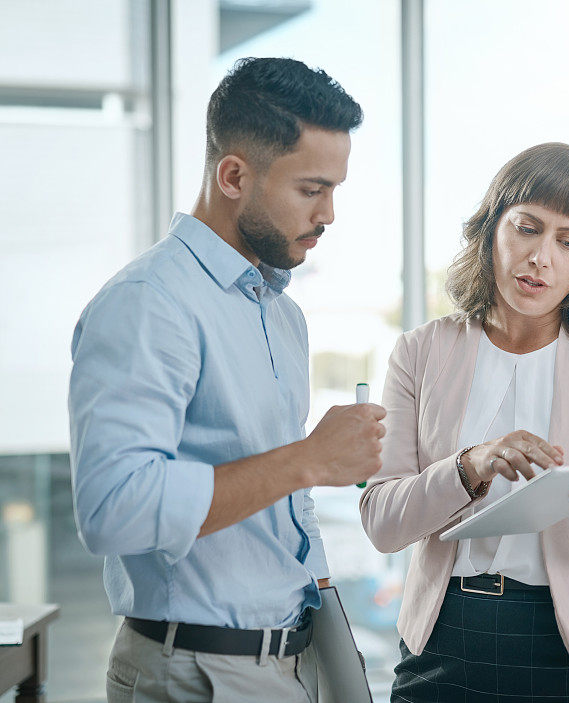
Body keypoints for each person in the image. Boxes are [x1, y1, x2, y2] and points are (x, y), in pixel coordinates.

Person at [69, 57, 385, 703]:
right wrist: (308, 460)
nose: (329, 212)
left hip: (290, 663)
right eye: (311, 188)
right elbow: (112, 508)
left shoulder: (279, 312)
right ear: (234, 175)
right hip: (195, 672)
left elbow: (282, 510)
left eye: (335, 189)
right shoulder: (148, 302)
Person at [360, 142, 569, 702]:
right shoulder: (421, 351)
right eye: (527, 228)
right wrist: (467, 467)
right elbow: (382, 524)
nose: (541, 258)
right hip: (443, 639)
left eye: (568, 241)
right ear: (492, 228)